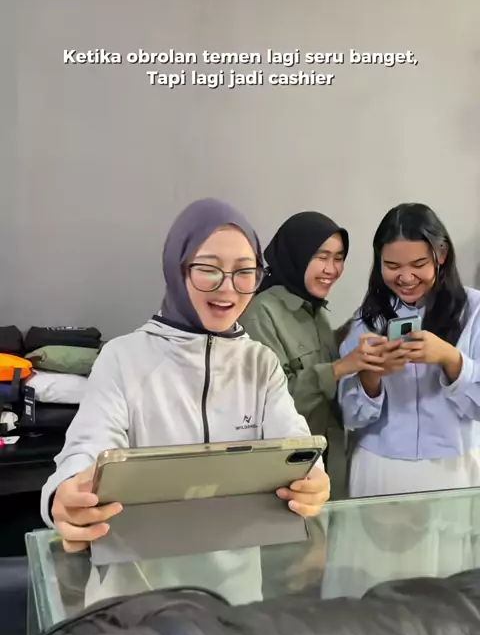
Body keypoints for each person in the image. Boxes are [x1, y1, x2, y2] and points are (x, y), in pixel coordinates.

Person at [40, 199, 330, 605]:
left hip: (234, 601)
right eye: (208, 269)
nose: (228, 288)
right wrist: (65, 495)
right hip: (135, 598)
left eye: (244, 272)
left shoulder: (260, 363)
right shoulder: (123, 358)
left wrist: (314, 479)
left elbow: (295, 443)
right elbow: (87, 449)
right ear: (177, 269)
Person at [240, 211, 387, 498]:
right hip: (288, 479)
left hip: (329, 471)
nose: (332, 269)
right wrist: (340, 368)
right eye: (322, 257)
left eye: (339, 258)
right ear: (297, 254)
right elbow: (271, 405)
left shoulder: (315, 312)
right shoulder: (260, 314)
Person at [338, 202, 480, 497]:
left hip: (455, 468)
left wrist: (450, 359)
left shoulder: (474, 310)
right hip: (379, 466)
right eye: (392, 266)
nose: (405, 277)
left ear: (441, 254)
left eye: (418, 265)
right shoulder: (367, 319)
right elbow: (350, 416)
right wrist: (371, 376)